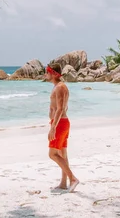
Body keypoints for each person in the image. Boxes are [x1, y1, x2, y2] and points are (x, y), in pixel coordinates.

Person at [46, 63, 79, 192]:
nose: (45, 75)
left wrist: (53, 126)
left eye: (47, 72)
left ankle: (73, 178)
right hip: (63, 122)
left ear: (53, 73)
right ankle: (63, 183)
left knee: (52, 154)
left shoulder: (59, 87)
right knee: (62, 153)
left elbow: (60, 109)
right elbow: (64, 107)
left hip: (59, 123)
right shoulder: (61, 86)